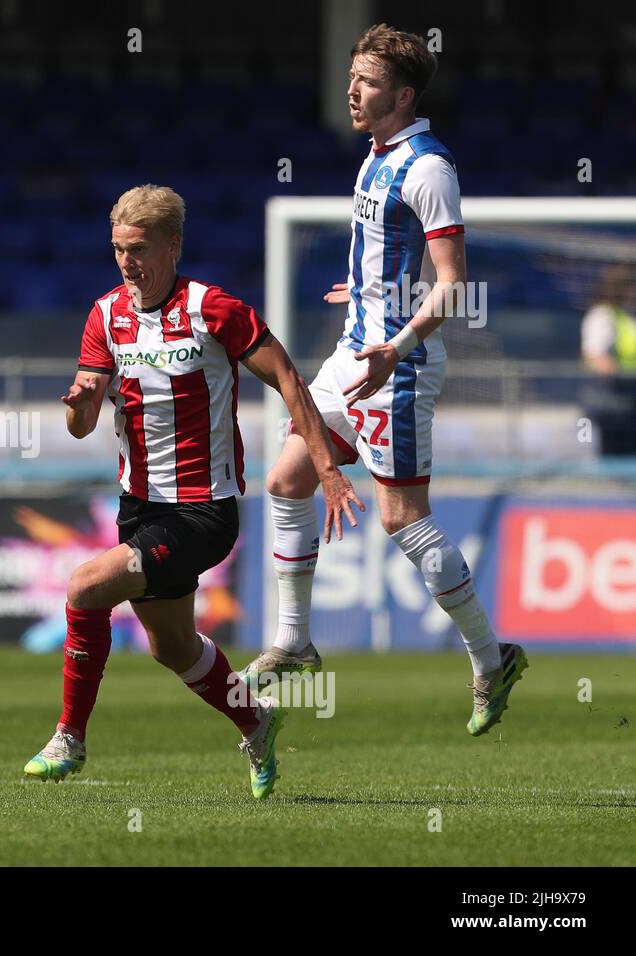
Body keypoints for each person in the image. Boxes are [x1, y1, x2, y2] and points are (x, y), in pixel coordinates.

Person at [22, 185, 363, 799]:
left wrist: (327, 467)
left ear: (173, 245)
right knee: (173, 647)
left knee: (85, 587)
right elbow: (82, 420)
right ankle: (256, 721)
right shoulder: (105, 316)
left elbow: (287, 376)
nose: (128, 263)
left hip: (204, 511)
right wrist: (79, 408)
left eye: (140, 249)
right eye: (119, 250)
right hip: (139, 508)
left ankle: (68, 737)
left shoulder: (214, 309)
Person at [241, 23, 528, 736]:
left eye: (366, 82)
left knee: (403, 519)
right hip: (354, 352)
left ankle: (491, 660)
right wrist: (365, 292)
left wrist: (396, 345)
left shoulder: (428, 167)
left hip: (396, 369)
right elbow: (389, 257)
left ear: (403, 94)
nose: (352, 91)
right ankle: (295, 639)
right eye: (351, 78)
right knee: (284, 481)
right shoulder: (374, 158)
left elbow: (454, 284)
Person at [580, 263, 636, 456]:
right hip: (616, 402)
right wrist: (622, 376)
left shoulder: (628, 316)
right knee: (617, 458)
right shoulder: (604, 315)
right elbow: (595, 356)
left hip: (630, 401)